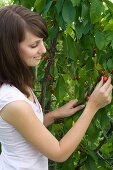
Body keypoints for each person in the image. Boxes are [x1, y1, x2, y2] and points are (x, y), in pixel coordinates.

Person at [0, 5, 112, 170]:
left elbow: (25, 131)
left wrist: (53, 116)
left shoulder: (17, 82)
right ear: (10, 50)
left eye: (42, 42)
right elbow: (59, 153)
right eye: (34, 45)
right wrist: (92, 106)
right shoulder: (13, 101)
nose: (44, 49)